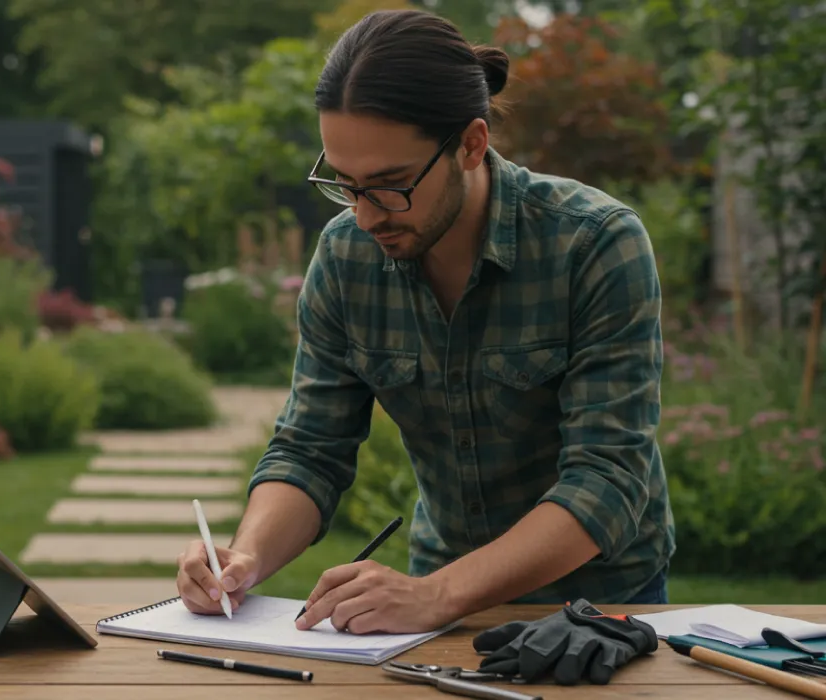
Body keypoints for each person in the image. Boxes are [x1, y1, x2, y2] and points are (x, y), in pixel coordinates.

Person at [174, 8, 675, 635]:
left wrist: (437, 595)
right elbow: (310, 450)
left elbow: (608, 481)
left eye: (389, 185)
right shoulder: (345, 257)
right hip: (435, 598)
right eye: (345, 184)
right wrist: (246, 558)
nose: (363, 216)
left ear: (471, 143)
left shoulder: (595, 243)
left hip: (598, 604)